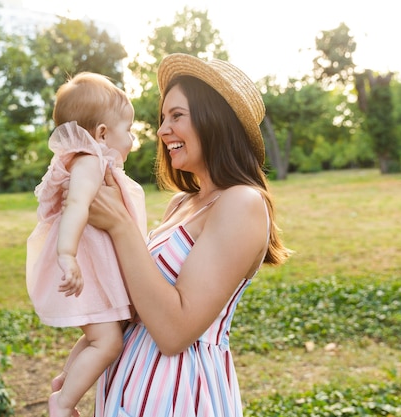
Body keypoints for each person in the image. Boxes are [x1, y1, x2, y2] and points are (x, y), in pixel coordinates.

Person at [84, 53, 291, 416]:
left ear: (216, 121)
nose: (163, 130)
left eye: (177, 116)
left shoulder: (242, 203)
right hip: (128, 383)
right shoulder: (181, 204)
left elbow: (175, 332)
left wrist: (120, 226)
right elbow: (137, 302)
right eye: (163, 118)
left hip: (179, 394)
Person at [25, 72, 147, 417]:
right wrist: (67, 256)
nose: (133, 138)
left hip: (94, 266)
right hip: (87, 268)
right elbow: (76, 205)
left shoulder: (94, 161)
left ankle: (65, 381)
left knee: (103, 333)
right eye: (129, 129)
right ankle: (62, 403)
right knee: (107, 342)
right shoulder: (90, 161)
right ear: (102, 134)